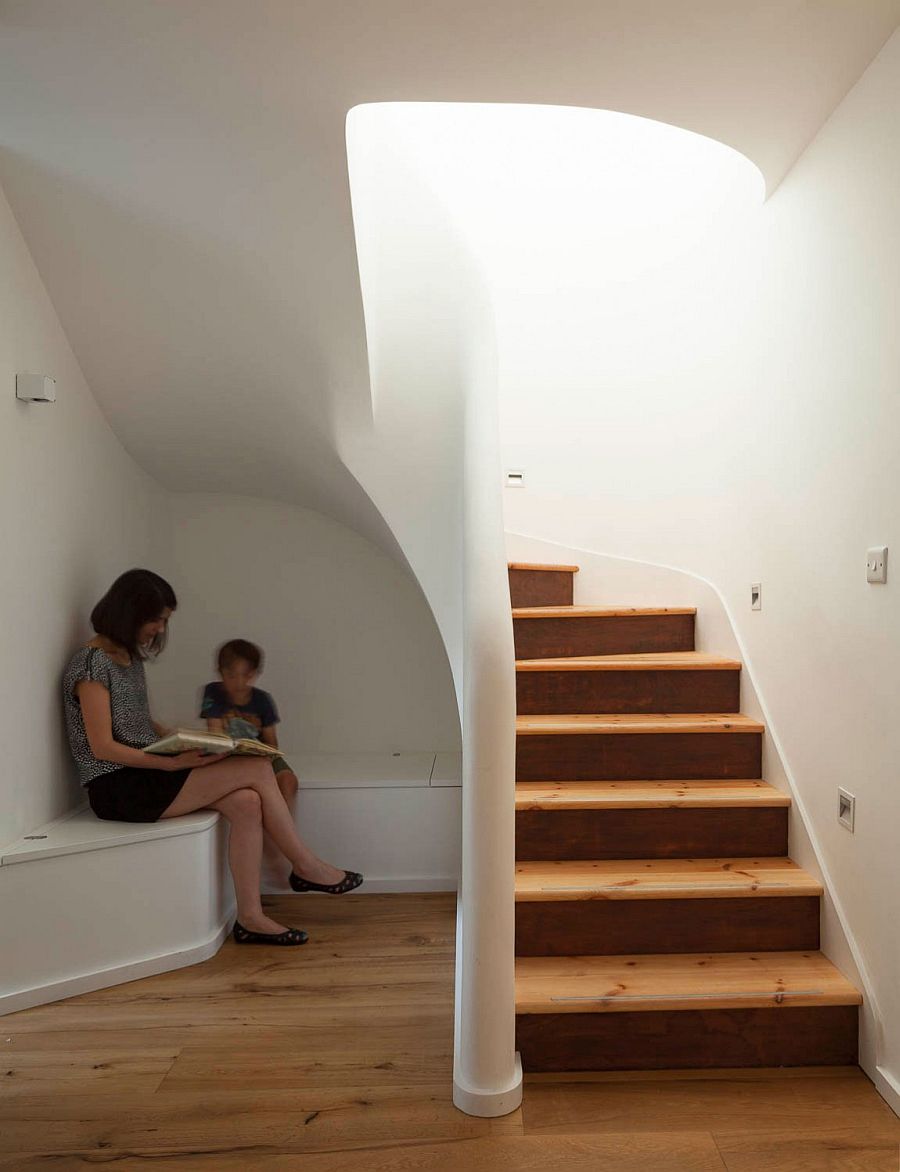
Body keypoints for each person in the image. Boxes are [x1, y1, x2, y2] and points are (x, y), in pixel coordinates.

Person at [63, 569, 363, 948]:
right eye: (156, 619)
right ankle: (305, 866)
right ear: (129, 612)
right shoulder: (91, 664)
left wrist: (179, 737)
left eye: (163, 621)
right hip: (118, 786)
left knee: (248, 802)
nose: (159, 629)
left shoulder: (126, 658)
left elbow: (137, 721)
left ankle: (251, 919)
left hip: (145, 772)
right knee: (256, 767)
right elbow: (102, 747)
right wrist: (171, 763)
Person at [200, 639, 301, 892]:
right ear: (220, 673)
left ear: (254, 675)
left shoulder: (262, 700)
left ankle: (279, 835)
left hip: (260, 754)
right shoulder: (214, 693)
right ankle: (274, 844)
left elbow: (271, 742)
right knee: (251, 795)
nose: (237, 682)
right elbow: (214, 734)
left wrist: (262, 754)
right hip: (228, 756)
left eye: (245, 676)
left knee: (288, 781)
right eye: (230, 675)